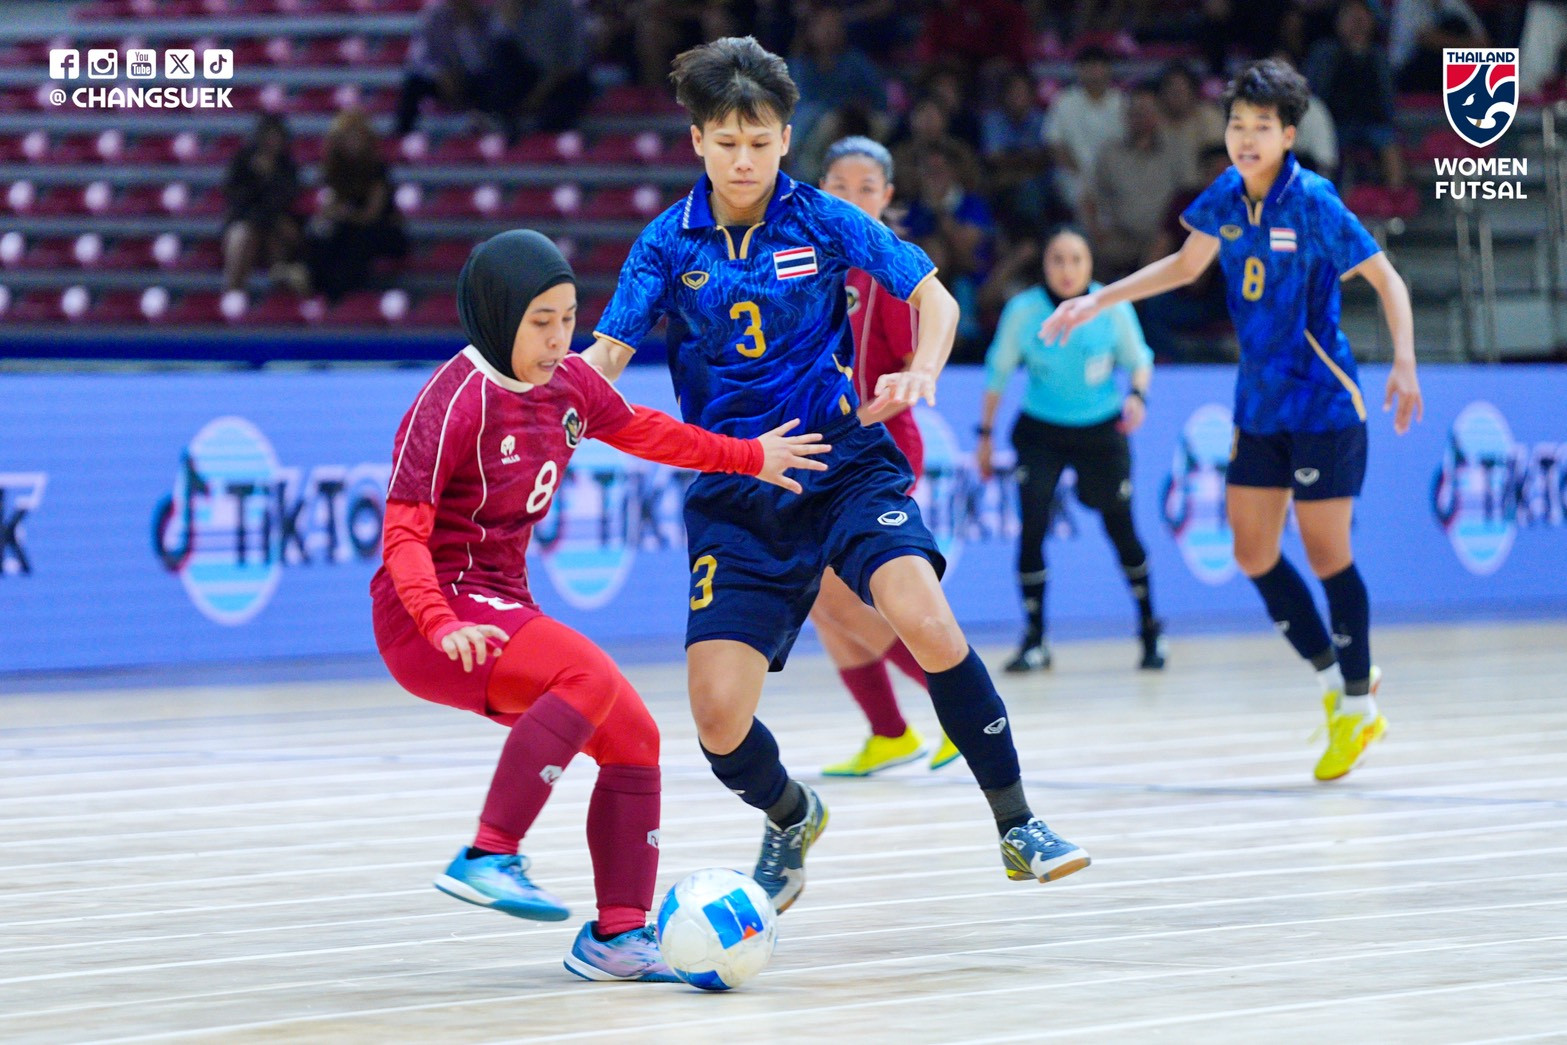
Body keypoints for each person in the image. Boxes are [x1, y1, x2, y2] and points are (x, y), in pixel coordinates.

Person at [582, 36, 1091, 913]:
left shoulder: (822, 216)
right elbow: (607, 355)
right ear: (697, 140)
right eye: (726, 141)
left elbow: (934, 295)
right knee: (716, 718)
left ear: (785, 138)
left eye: (761, 140)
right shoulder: (665, 244)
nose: (744, 159)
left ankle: (1016, 822)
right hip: (737, 487)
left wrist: (923, 367)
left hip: (840, 458)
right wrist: (544, 399)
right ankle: (790, 813)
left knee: (922, 616)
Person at [372, 230, 830, 980]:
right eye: (540, 322)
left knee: (634, 736)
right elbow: (403, 535)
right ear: (494, 316)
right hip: (427, 619)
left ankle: (617, 936)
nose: (560, 339)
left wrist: (750, 455)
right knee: (584, 674)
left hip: (498, 603)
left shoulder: (570, 385)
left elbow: (644, 430)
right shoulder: (450, 401)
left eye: (568, 318)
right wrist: (439, 620)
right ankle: (489, 852)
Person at [1043, 59, 1424, 782]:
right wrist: (1097, 299)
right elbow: (1185, 267)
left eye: (1260, 128)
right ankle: (1338, 684)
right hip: (1258, 406)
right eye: (1236, 125)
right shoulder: (1225, 193)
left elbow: (1385, 278)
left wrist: (1403, 360)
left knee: (1324, 553)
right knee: (1250, 551)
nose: (1244, 138)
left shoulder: (1311, 199)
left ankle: (1353, 699)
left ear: (1287, 134)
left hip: (1321, 403)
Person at [811, 136, 960, 778]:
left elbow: (904, 377)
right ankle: (889, 734)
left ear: (888, 196)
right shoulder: (805, 262)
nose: (851, 198)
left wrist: (853, 421)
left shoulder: (890, 272)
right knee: (820, 599)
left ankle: (953, 703)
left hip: (878, 449)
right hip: (821, 448)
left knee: (839, 595)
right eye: (839, 186)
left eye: (866, 188)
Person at [979, 226, 1164, 674]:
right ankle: (1035, 641)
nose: (1066, 269)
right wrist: (984, 437)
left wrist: (1138, 398)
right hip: (1040, 431)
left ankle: (1150, 632)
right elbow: (997, 373)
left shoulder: (1110, 307)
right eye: (1057, 259)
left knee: (1121, 528)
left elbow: (1140, 361)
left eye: (1076, 259)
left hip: (1101, 431)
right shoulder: (1024, 312)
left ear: (1090, 265)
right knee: (1032, 528)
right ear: (1044, 265)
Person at [1083, 81, 1193, 280]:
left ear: (1158, 114)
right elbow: (1089, 197)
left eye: (1146, 111)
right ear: (1126, 116)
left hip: (1163, 238)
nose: (1140, 117)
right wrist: (1096, 230)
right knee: (1085, 253)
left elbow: (1188, 195)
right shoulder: (1109, 153)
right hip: (1120, 237)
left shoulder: (1176, 149)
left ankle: (1136, 304)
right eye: (1134, 112)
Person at [304, 108, 408, 300]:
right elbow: (328, 206)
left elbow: (372, 214)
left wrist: (344, 215)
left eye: (357, 136)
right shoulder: (334, 170)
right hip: (348, 227)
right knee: (321, 236)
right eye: (347, 137)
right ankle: (315, 287)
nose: (352, 142)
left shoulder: (377, 170)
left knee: (358, 239)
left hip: (380, 229)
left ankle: (342, 293)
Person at [1305, 0, 1404, 189]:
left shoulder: (1378, 56)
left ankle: (1396, 201)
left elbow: (1387, 97)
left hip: (1371, 122)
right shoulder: (1324, 52)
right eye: (1351, 16)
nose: (1357, 22)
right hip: (1334, 122)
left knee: (1388, 141)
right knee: (1324, 146)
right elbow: (1316, 94)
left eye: (1362, 17)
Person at [221, 113, 301, 293]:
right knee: (240, 238)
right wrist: (258, 178)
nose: (273, 141)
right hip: (246, 221)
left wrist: (270, 177)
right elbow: (235, 197)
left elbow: (285, 199)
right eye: (269, 136)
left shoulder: (287, 166)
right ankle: (233, 293)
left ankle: (280, 301)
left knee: (282, 241)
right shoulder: (243, 161)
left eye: (277, 136)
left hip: (273, 226)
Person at [1045, 46, 1127, 215]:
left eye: (1099, 65)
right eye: (1088, 66)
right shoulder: (1063, 101)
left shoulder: (1122, 102)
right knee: (1079, 194)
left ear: (1108, 69)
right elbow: (1055, 145)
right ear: (1079, 70)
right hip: (1074, 176)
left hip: (1116, 175)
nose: (1094, 72)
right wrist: (1081, 176)